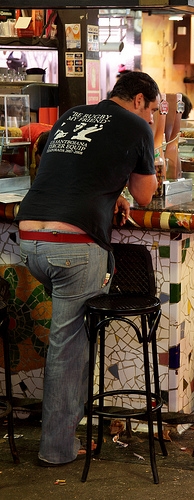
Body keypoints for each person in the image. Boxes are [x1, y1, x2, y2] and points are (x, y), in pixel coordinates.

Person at [15, 71, 160, 466]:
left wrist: (108, 195)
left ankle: (59, 433)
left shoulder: (72, 114)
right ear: (141, 100)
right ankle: (57, 449)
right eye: (153, 110)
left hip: (30, 241)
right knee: (68, 349)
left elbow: (69, 173)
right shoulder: (137, 126)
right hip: (74, 248)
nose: (151, 117)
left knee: (65, 341)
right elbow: (145, 195)